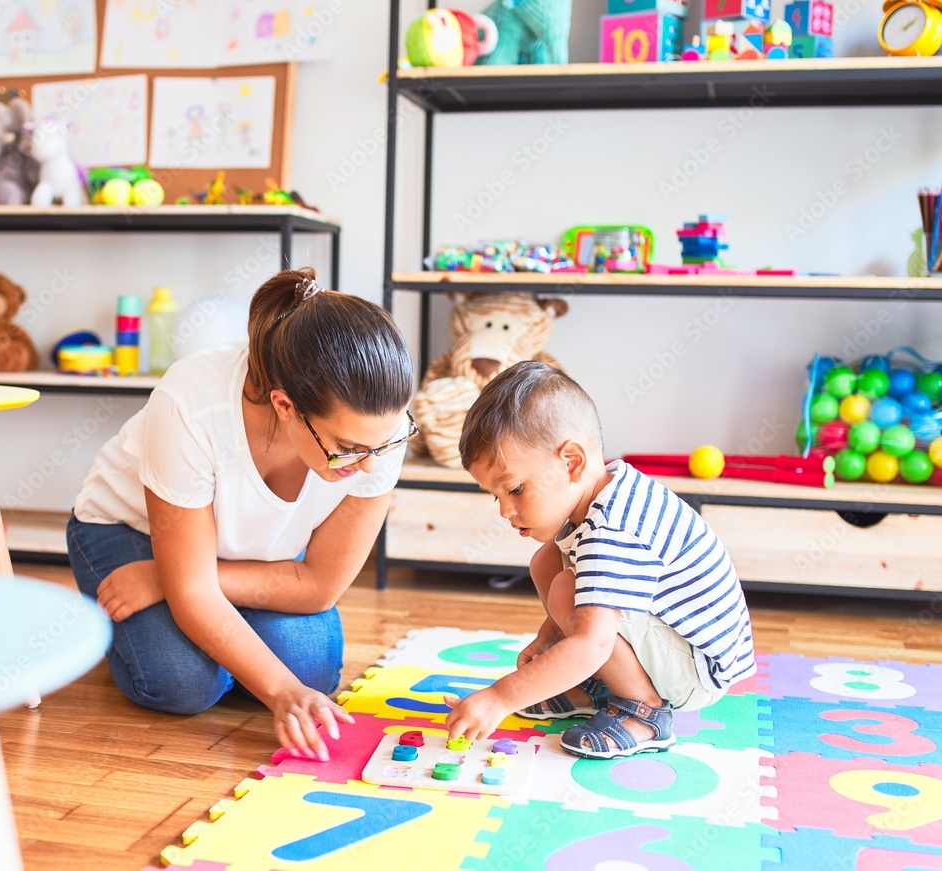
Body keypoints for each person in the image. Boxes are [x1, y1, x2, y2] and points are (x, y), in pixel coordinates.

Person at [68, 267, 416, 762]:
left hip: (225, 557)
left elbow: (318, 585)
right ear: (285, 405)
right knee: (181, 682)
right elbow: (204, 594)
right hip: (129, 532)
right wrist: (276, 691)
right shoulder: (189, 403)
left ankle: (187, 609)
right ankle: (129, 638)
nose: (371, 465)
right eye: (348, 448)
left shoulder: (378, 429)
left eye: (387, 441)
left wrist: (172, 582)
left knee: (311, 671)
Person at [445, 361, 756, 759]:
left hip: (697, 671)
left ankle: (646, 713)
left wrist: (498, 698)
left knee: (567, 588)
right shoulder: (605, 491)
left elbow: (591, 642)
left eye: (516, 489)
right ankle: (592, 688)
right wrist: (549, 639)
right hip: (677, 644)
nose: (505, 511)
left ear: (571, 461)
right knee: (547, 561)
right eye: (496, 496)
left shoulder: (611, 529)